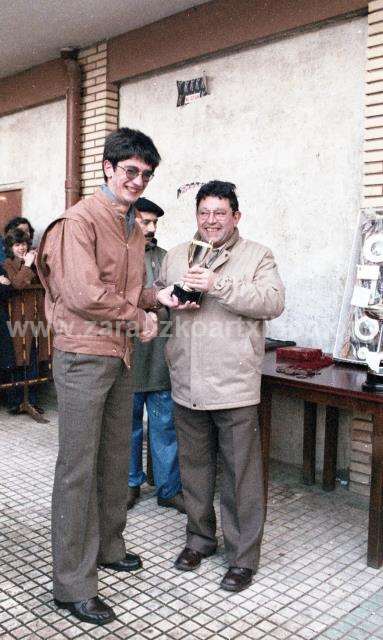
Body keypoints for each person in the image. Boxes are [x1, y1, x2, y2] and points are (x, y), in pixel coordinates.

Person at [36, 128, 177, 626]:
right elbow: (82, 293)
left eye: (146, 174)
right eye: (130, 171)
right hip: (81, 355)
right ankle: (72, 583)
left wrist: (155, 300)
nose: (138, 181)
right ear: (107, 168)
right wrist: (137, 318)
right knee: (77, 467)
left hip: (118, 355)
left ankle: (109, 546)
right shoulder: (79, 221)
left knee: (116, 456)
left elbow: (127, 289)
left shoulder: (133, 228)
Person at [157, 180, 285, 593]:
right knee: (194, 470)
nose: (211, 220)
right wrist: (174, 298)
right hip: (186, 382)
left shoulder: (257, 256)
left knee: (239, 476)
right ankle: (200, 539)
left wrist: (217, 285)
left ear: (235, 217)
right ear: (197, 216)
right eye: (204, 213)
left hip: (234, 385)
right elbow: (163, 308)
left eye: (220, 213)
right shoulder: (176, 256)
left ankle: (242, 557)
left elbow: (272, 302)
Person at [128, 197, 184, 513]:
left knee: (165, 426)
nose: (152, 229)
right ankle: (129, 484)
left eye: (155, 223)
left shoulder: (167, 259)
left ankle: (168, 488)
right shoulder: (117, 257)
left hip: (162, 359)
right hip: (128, 358)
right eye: (145, 221)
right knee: (128, 427)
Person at [3, 228, 42, 415]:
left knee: (34, 357)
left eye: (24, 243)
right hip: (18, 317)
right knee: (19, 358)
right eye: (17, 244)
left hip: (36, 315)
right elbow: (17, 284)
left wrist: (35, 262)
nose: (22, 247)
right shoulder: (7, 264)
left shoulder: (33, 261)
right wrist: (27, 265)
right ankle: (17, 401)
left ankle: (31, 401)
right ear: (10, 247)